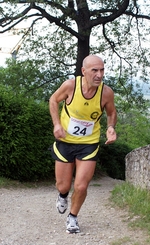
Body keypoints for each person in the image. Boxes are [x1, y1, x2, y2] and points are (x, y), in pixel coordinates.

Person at [49, 54, 117, 234]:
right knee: (63, 185)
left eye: (102, 70)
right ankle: (63, 195)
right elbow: (53, 100)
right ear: (83, 71)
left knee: (81, 186)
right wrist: (56, 124)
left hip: (89, 143)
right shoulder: (70, 86)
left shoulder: (106, 93)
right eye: (95, 70)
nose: (99, 75)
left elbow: (111, 113)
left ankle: (73, 217)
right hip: (65, 141)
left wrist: (110, 127)